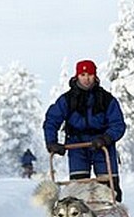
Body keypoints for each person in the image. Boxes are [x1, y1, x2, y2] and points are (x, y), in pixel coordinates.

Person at [43, 59, 126, 200]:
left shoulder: (106, 99)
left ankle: (112, 215)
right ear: (77, 77)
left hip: (102, 145)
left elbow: (118, 124)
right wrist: (52, 142)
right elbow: (51, 120)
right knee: (78, 190)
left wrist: (106, 138)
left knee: (109, 190)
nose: (86, 79)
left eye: (90, 75)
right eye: (83, 75)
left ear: (95, 76)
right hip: (77, 146)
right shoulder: (67, 100)